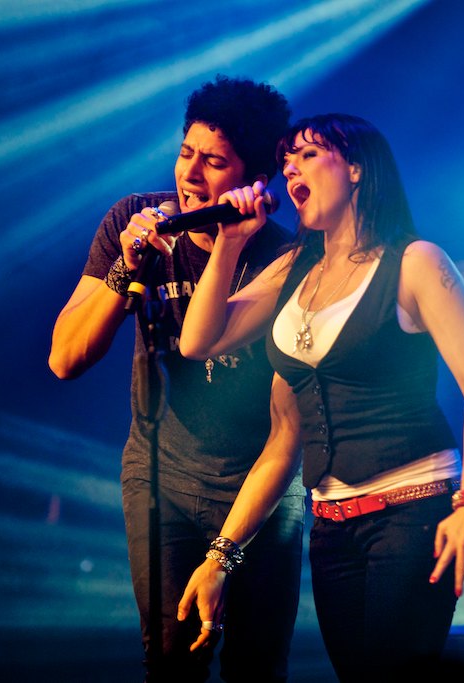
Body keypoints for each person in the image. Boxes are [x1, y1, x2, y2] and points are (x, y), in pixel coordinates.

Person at [176, 113, 464, 681]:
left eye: (307, 155)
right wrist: (230, 243)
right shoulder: (294, 271)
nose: (289, 171)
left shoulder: (414, 262)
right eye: (285, 163)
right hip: (331, 527)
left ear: (355, 168)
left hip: (411, 514)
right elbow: (199, 343)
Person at [48, 75, 305, 683]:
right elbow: (65, 359)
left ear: (255, 180)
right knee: (168, 663)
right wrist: (125, 269)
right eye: (186, 152)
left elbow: (288, 430)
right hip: (160, 476)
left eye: (213, 162)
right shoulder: (133, 221)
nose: (190, 174)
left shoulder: (285, 259)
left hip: (258, 490)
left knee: (257, 667)